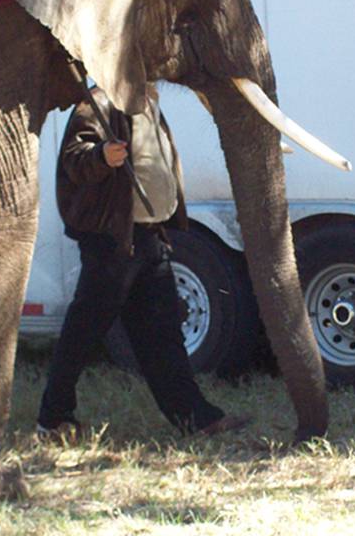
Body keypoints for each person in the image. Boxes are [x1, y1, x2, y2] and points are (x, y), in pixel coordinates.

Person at [36, 85, 248, 439]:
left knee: (162, 332)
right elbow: (74, 158)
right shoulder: (101, 101)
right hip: (113, 239)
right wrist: (102, 156)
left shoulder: (149, 104)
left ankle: (196, 419)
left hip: (148, 236)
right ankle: (52, 418)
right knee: (84, 331)